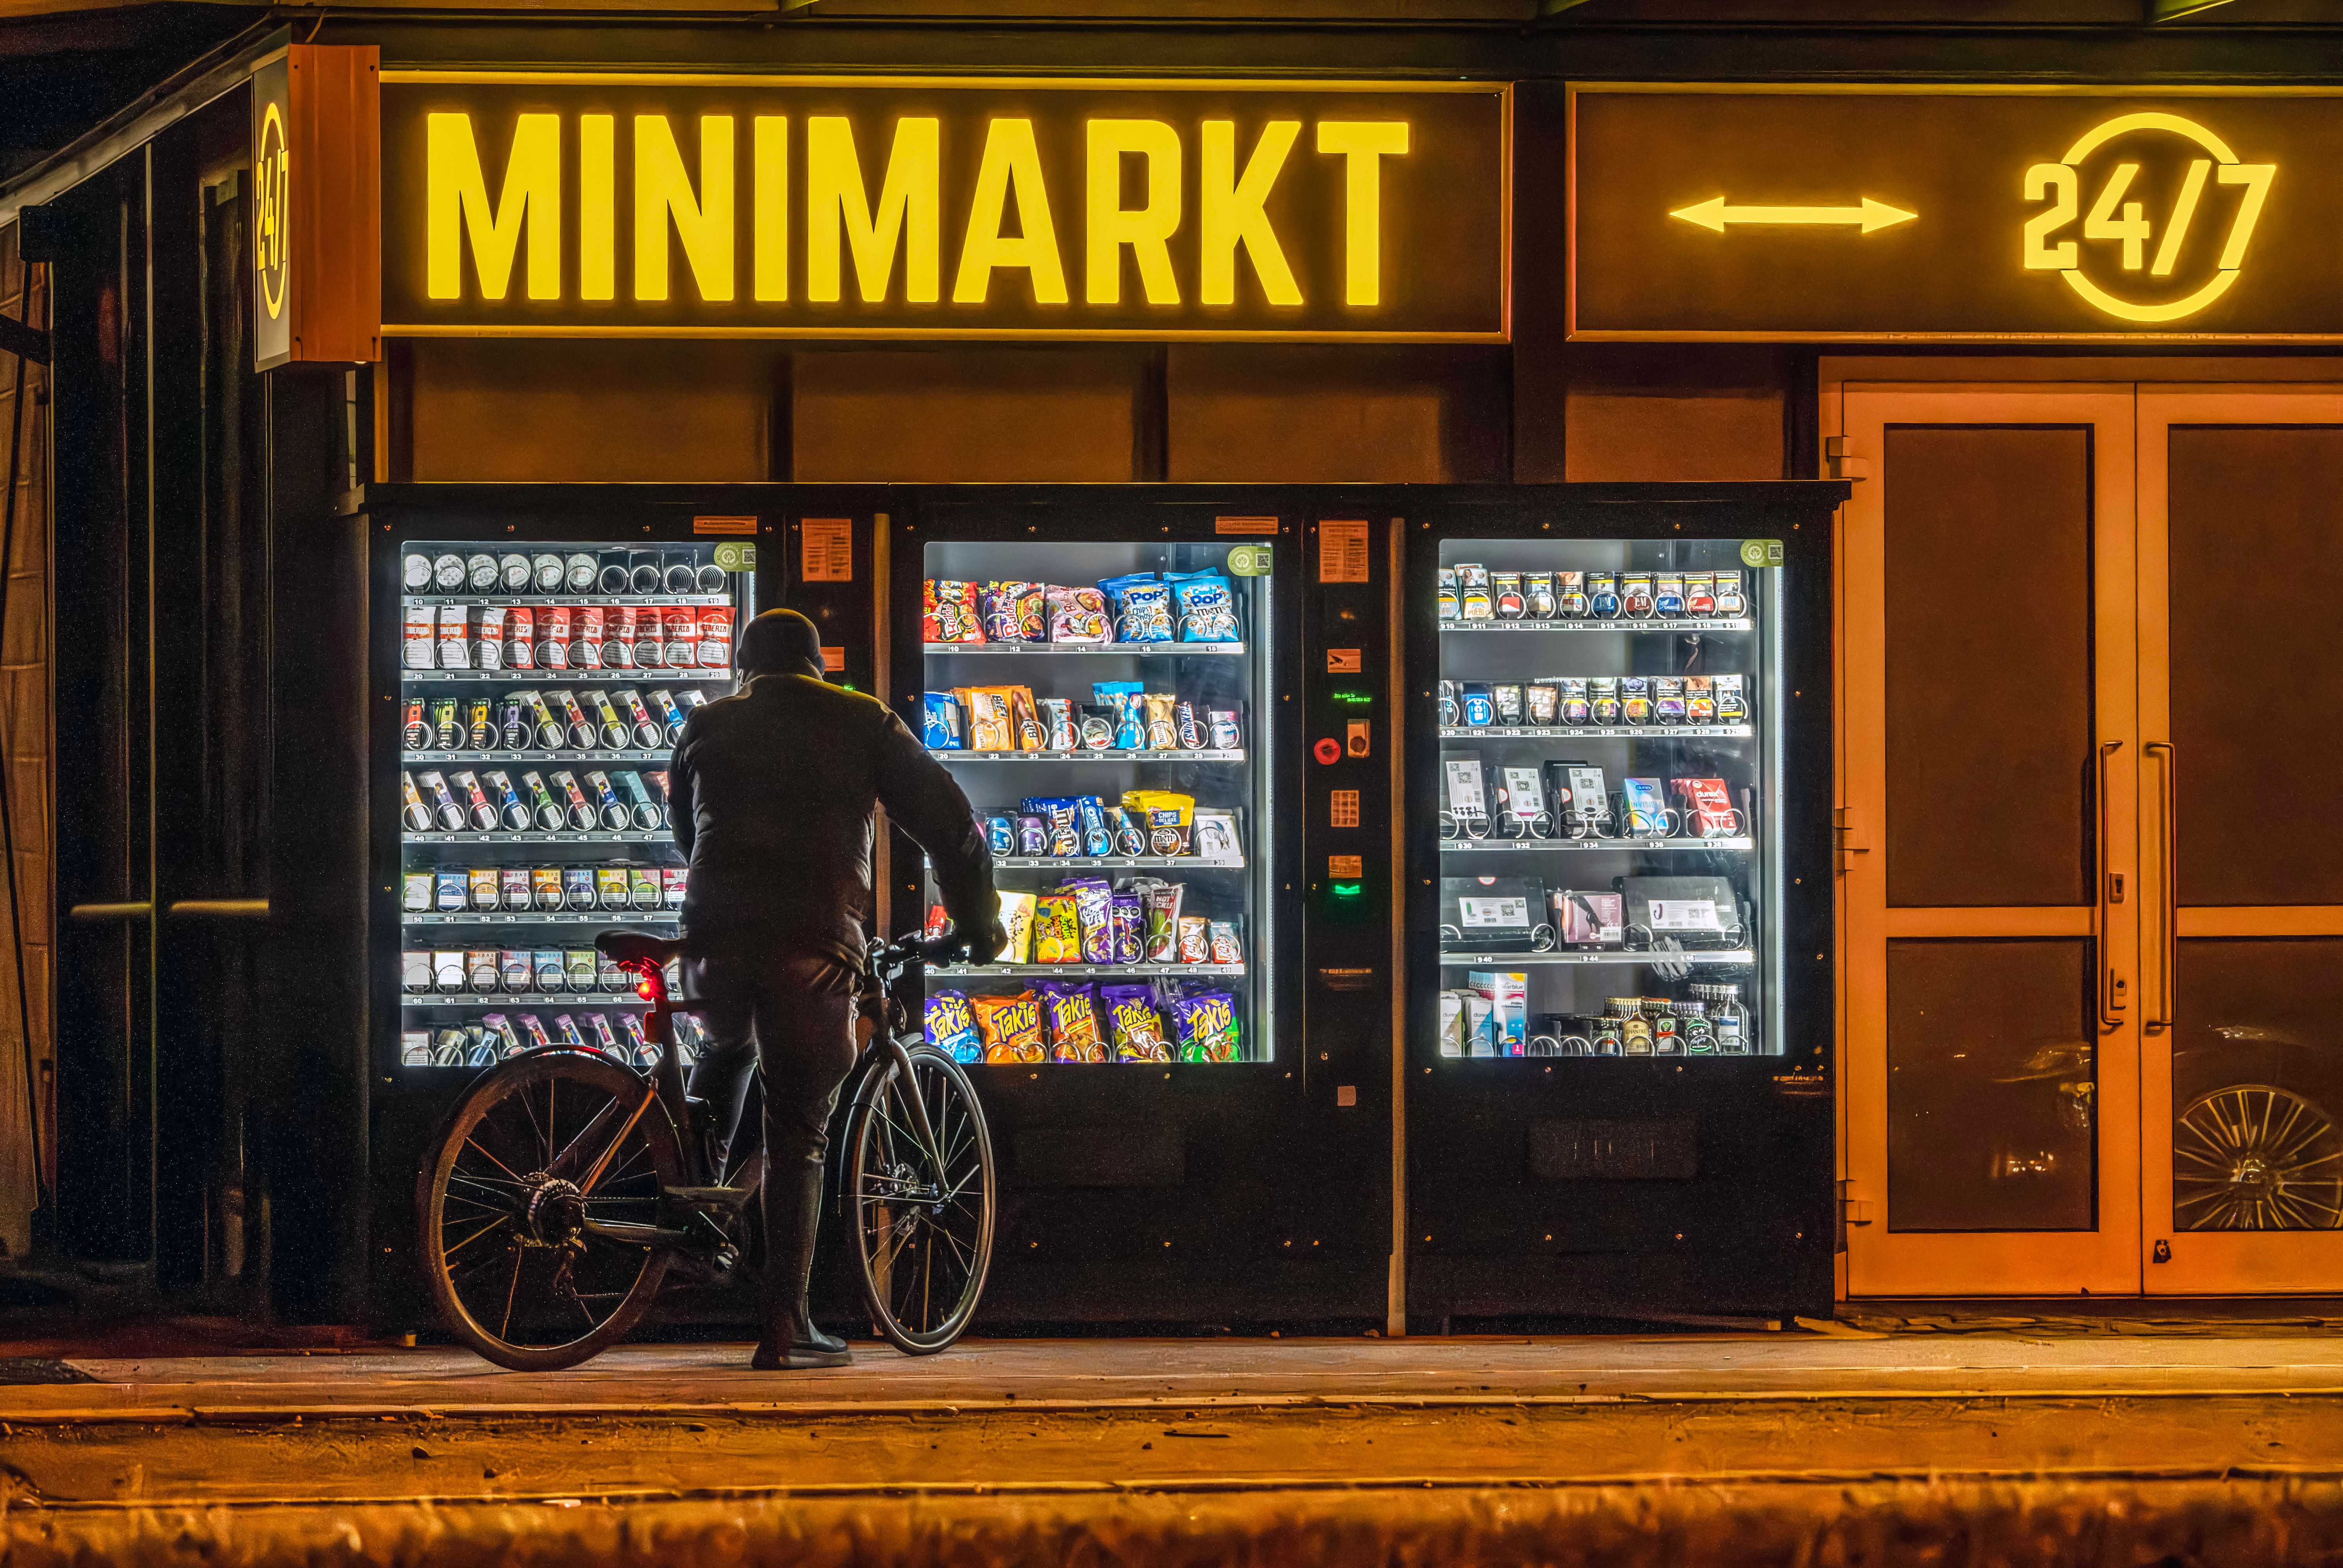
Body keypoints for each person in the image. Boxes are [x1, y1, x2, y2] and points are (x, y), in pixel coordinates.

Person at [669, 608, 998, 1369]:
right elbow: (952, 826)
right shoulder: (863, 721)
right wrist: (980, 923)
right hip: (811, 945)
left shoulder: (706, 724)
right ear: (819, 664)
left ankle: (698, 1214)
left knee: (728, 1042)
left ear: (747, 668)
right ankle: (786, 1325)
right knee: (800, 1133)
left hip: (712, 940)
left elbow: (687, 836)